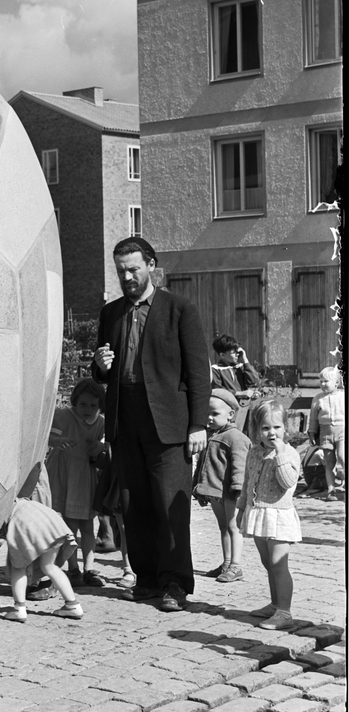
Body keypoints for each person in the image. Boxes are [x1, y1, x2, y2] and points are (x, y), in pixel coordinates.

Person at [93, 236, 210, 613]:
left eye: (133, 269)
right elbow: (102, 376)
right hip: (125, 420)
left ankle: (175, 584)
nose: (127, 277)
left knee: (170, 506)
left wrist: (197, 425)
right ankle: (145, 580)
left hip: (169, 424)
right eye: (121, 271)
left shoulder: (179, 309)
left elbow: (198, 373)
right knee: (134, 502)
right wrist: (100, 366)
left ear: (151, 265)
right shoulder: (110, 313)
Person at [237, 398, 302, 631]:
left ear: (286, 427)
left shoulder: (290, 453)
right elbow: (247, 482)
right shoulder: (254, 452)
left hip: (279, 515)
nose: (271, 433)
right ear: (257, 430)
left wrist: (280, 454)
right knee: (268, 563)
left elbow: (287, 482)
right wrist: (242, 508)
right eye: (265, 428)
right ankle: (275, 604)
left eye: (276, 427)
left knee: (278, 563)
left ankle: (285, 612)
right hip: (258, 512)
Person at [46, 379, 108, 587]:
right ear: (75, 402)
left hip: (86, 474)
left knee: (89, 524)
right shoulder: (64, 416)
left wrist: (98, 447)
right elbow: (49, 438)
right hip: (65, 472)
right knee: (70, 523)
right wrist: (59, 442)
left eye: (93, 405)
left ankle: (89, 568)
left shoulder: (100, 422)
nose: (88, 410)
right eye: (83, 404)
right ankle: (73, 568)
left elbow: (104, 445)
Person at [193, 388, 249, 582]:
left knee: (234, 527)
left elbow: (241, 466)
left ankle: (236, 566)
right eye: (206, 413)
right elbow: (202, 466)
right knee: (223, 526)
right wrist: (199, 489)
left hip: (231, 492)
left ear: (231, 414)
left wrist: (238, 488)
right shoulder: (210, 436)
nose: (209, 418)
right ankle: (226, 563)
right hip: (215, 491)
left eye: (215, 414)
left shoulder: (236, 438)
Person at [0, 497, 84, 622]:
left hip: (23, 521)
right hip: (50, 521)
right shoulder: (18, 499)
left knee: (18, 566)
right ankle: (73, 605)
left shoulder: (0, 506)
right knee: (49, 566)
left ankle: (19, 609)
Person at [307, 367, 345, 502]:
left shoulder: (343, 396)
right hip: (325, 434)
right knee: (329, 463)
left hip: (342, 432)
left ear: (336, 383)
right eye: (321, 381)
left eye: (326, 381)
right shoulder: (318, 399)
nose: (322, 384)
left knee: (342, 457)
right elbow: (313, 418)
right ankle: (331, 490)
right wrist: (312, 433)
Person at [210, 335, 261, 400]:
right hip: (227, 407)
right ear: (222, 355)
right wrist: (239, 393)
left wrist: (245, 360)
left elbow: (253, 381)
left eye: (238, 352)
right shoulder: (215, 369)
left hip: (244, 406)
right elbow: (218, 390)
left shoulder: (240, 367)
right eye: (234, 352)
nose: (237, 354)